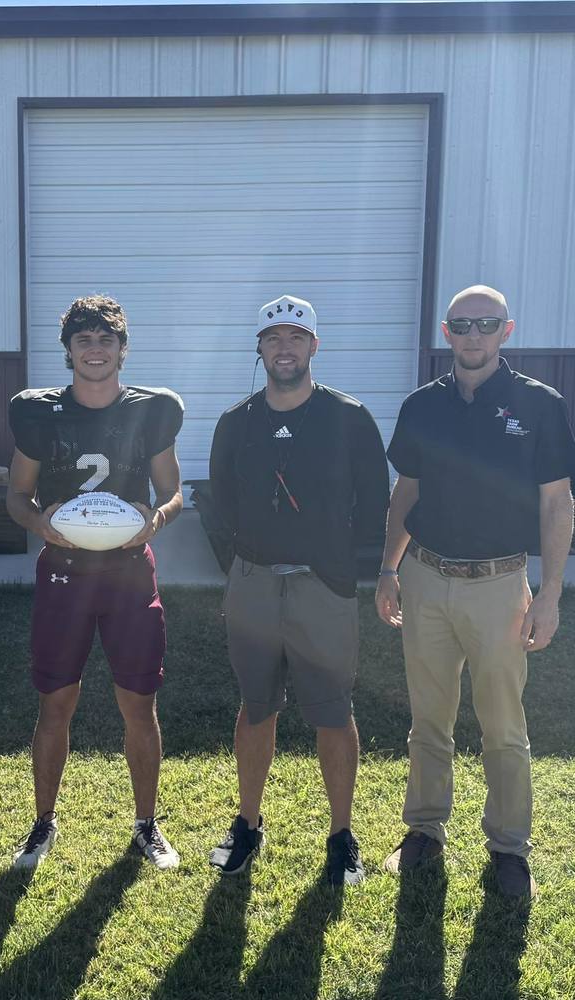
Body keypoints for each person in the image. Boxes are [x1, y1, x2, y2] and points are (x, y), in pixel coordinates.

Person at [376, 284, 575, 899]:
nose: (473, 335)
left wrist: (548, 595)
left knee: (503, 727)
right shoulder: (421, 407)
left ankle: (509, 850)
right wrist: (389, 571)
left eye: (486, 324)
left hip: (498, 584)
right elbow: (405, 492)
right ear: (446, 331)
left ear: (506, 330)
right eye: (462, 325)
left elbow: (556, 504)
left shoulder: (538, 405)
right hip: (426, 579)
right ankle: (424, 833)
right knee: (428, 721)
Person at [207, 295, 390, 886]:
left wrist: (344, 569)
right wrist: (239, 568)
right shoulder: (237, 421)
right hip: (255, 583)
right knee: (256, 706)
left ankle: (341, 835)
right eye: (272, 338)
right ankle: (247, 824)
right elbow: (219, 505)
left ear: (315, 345)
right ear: (258, 349)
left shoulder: (349, 417)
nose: (283, 348)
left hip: (324, 586)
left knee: (333, 712)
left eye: (295, 337)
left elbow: (375, 503)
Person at [5, 294, 184, 870]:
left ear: (122, 349)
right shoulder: (39, 412)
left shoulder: (152, 410)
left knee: (139, 703)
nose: (96, 349)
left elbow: (175, 494)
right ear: (68, 352)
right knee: (55, 702)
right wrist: (41, 525)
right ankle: (42, 823)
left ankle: (146, 824)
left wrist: (153, 521)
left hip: (130, 573)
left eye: (106, 339)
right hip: (64, 572)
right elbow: (16, 494)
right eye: (84, 340)